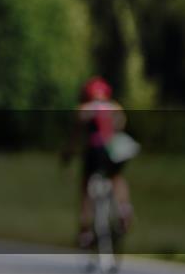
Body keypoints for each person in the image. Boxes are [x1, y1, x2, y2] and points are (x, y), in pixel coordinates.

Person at [63, 76, 135, 249]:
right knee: (116, 177)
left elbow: (75, 137)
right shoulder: (115, 106)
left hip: (95, 151)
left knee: (86, 186)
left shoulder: (84, 109)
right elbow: (120, 126)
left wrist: (67, 154)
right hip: (114, 150)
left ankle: (85, 230)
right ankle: (124, 209)